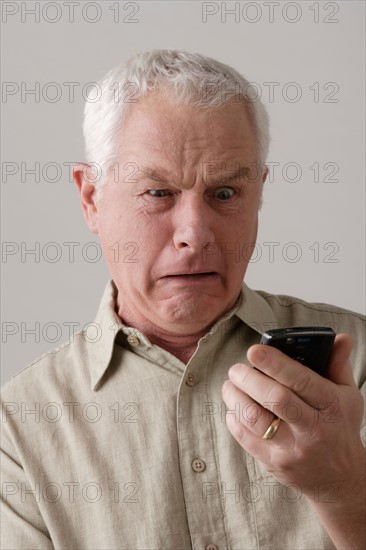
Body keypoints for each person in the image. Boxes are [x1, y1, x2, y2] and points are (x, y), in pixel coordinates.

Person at [1, 50, 365, 550]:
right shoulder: (19, 424)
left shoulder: (359, 361)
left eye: (225, 193)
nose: (195, 233)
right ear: (91, 198)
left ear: (258, 193)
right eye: (157, 193)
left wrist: (343, 490)